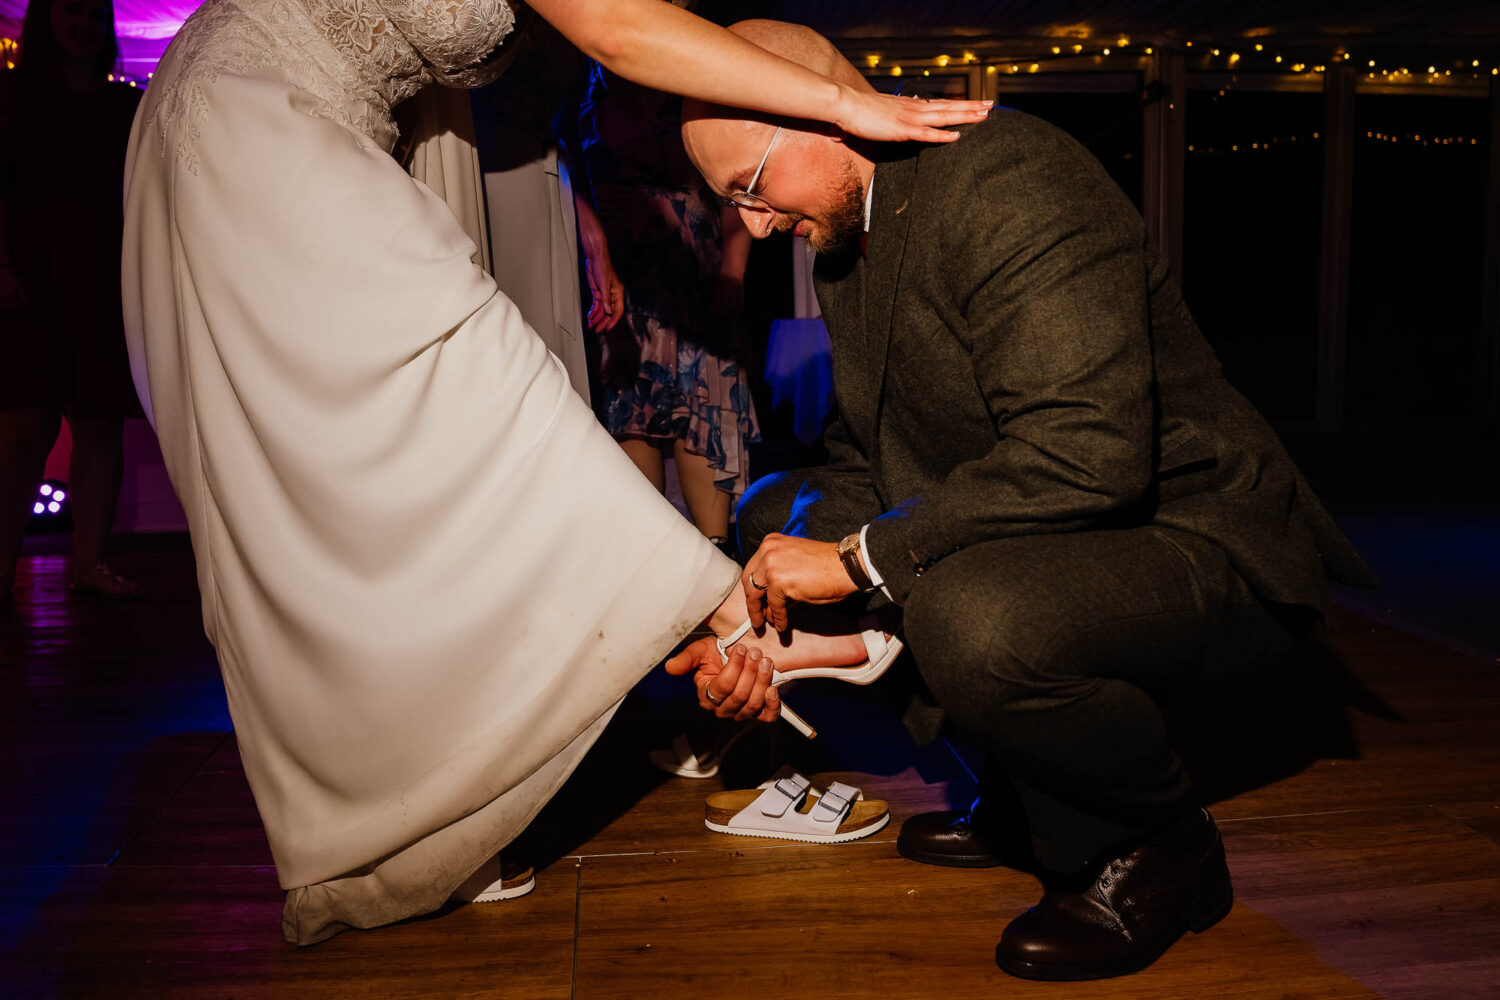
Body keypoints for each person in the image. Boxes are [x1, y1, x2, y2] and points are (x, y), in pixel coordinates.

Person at [121, 0, 991, 945]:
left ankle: (423, 796)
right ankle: (740, 618)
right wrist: (847, 102)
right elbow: (620, 34)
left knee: (393, 476)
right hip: (262, 116)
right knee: (474, 389)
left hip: (372, 135)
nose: (756, 218)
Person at [676, 20, 1375, 982]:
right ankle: (1027, 791)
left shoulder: (1008, 179)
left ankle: (1161, 846)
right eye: (731, 203)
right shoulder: (846, 229)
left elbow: (1087, 454)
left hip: (1192, 530)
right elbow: (867, 450)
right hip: (1048, 512)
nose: (753, 226)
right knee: (772, 515)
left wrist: (855, 564)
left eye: (751, 186)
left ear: (818, 111)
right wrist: (785, 628)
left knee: (970, 617)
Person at [576, 57, 760, 546]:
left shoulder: (690, 90)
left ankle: (716, 552)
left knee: (704, 407)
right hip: (623, 280)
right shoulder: (584, 100)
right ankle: (655, 556)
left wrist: (733, 270)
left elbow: (735, 185)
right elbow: (571, 181)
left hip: (696, 273)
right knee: (631, 409)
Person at [0, 0, 143, 608]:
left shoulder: (124, 103)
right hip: (28, 276)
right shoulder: (12, 97)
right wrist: (3, 266)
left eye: (92, 13)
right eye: (71, 10)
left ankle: (90, 564)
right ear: (46, 19)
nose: (84, 24)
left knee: (98, 422)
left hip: (101, 276)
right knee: (23, 427)